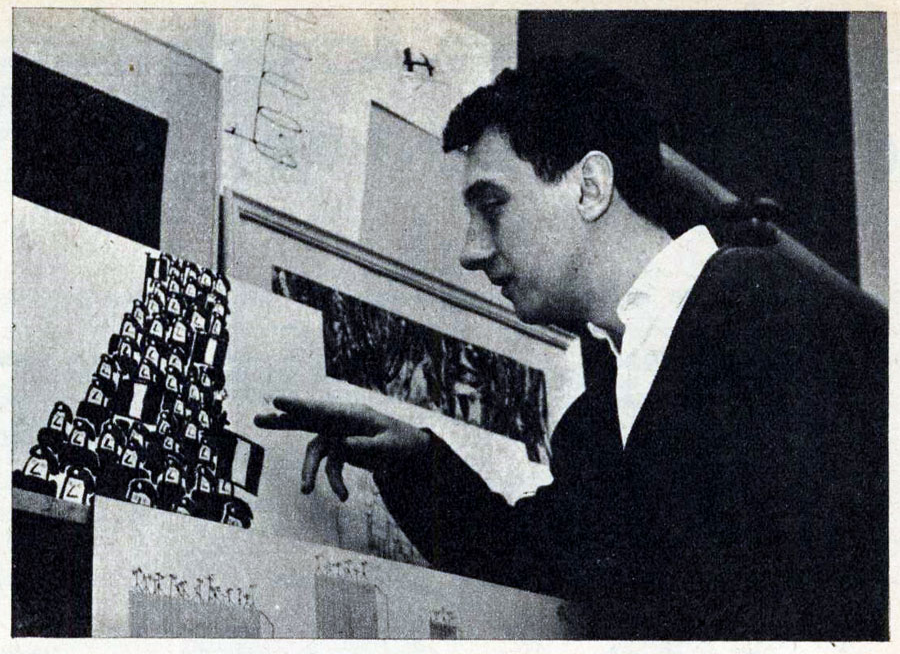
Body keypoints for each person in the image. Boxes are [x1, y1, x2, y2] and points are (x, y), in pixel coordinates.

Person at [255, 55, 887, 640]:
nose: (470, 251)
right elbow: (535, 563)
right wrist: (414, 460)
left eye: (492, 205)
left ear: (590, 187)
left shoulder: (769, 312)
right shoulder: (597, 422)